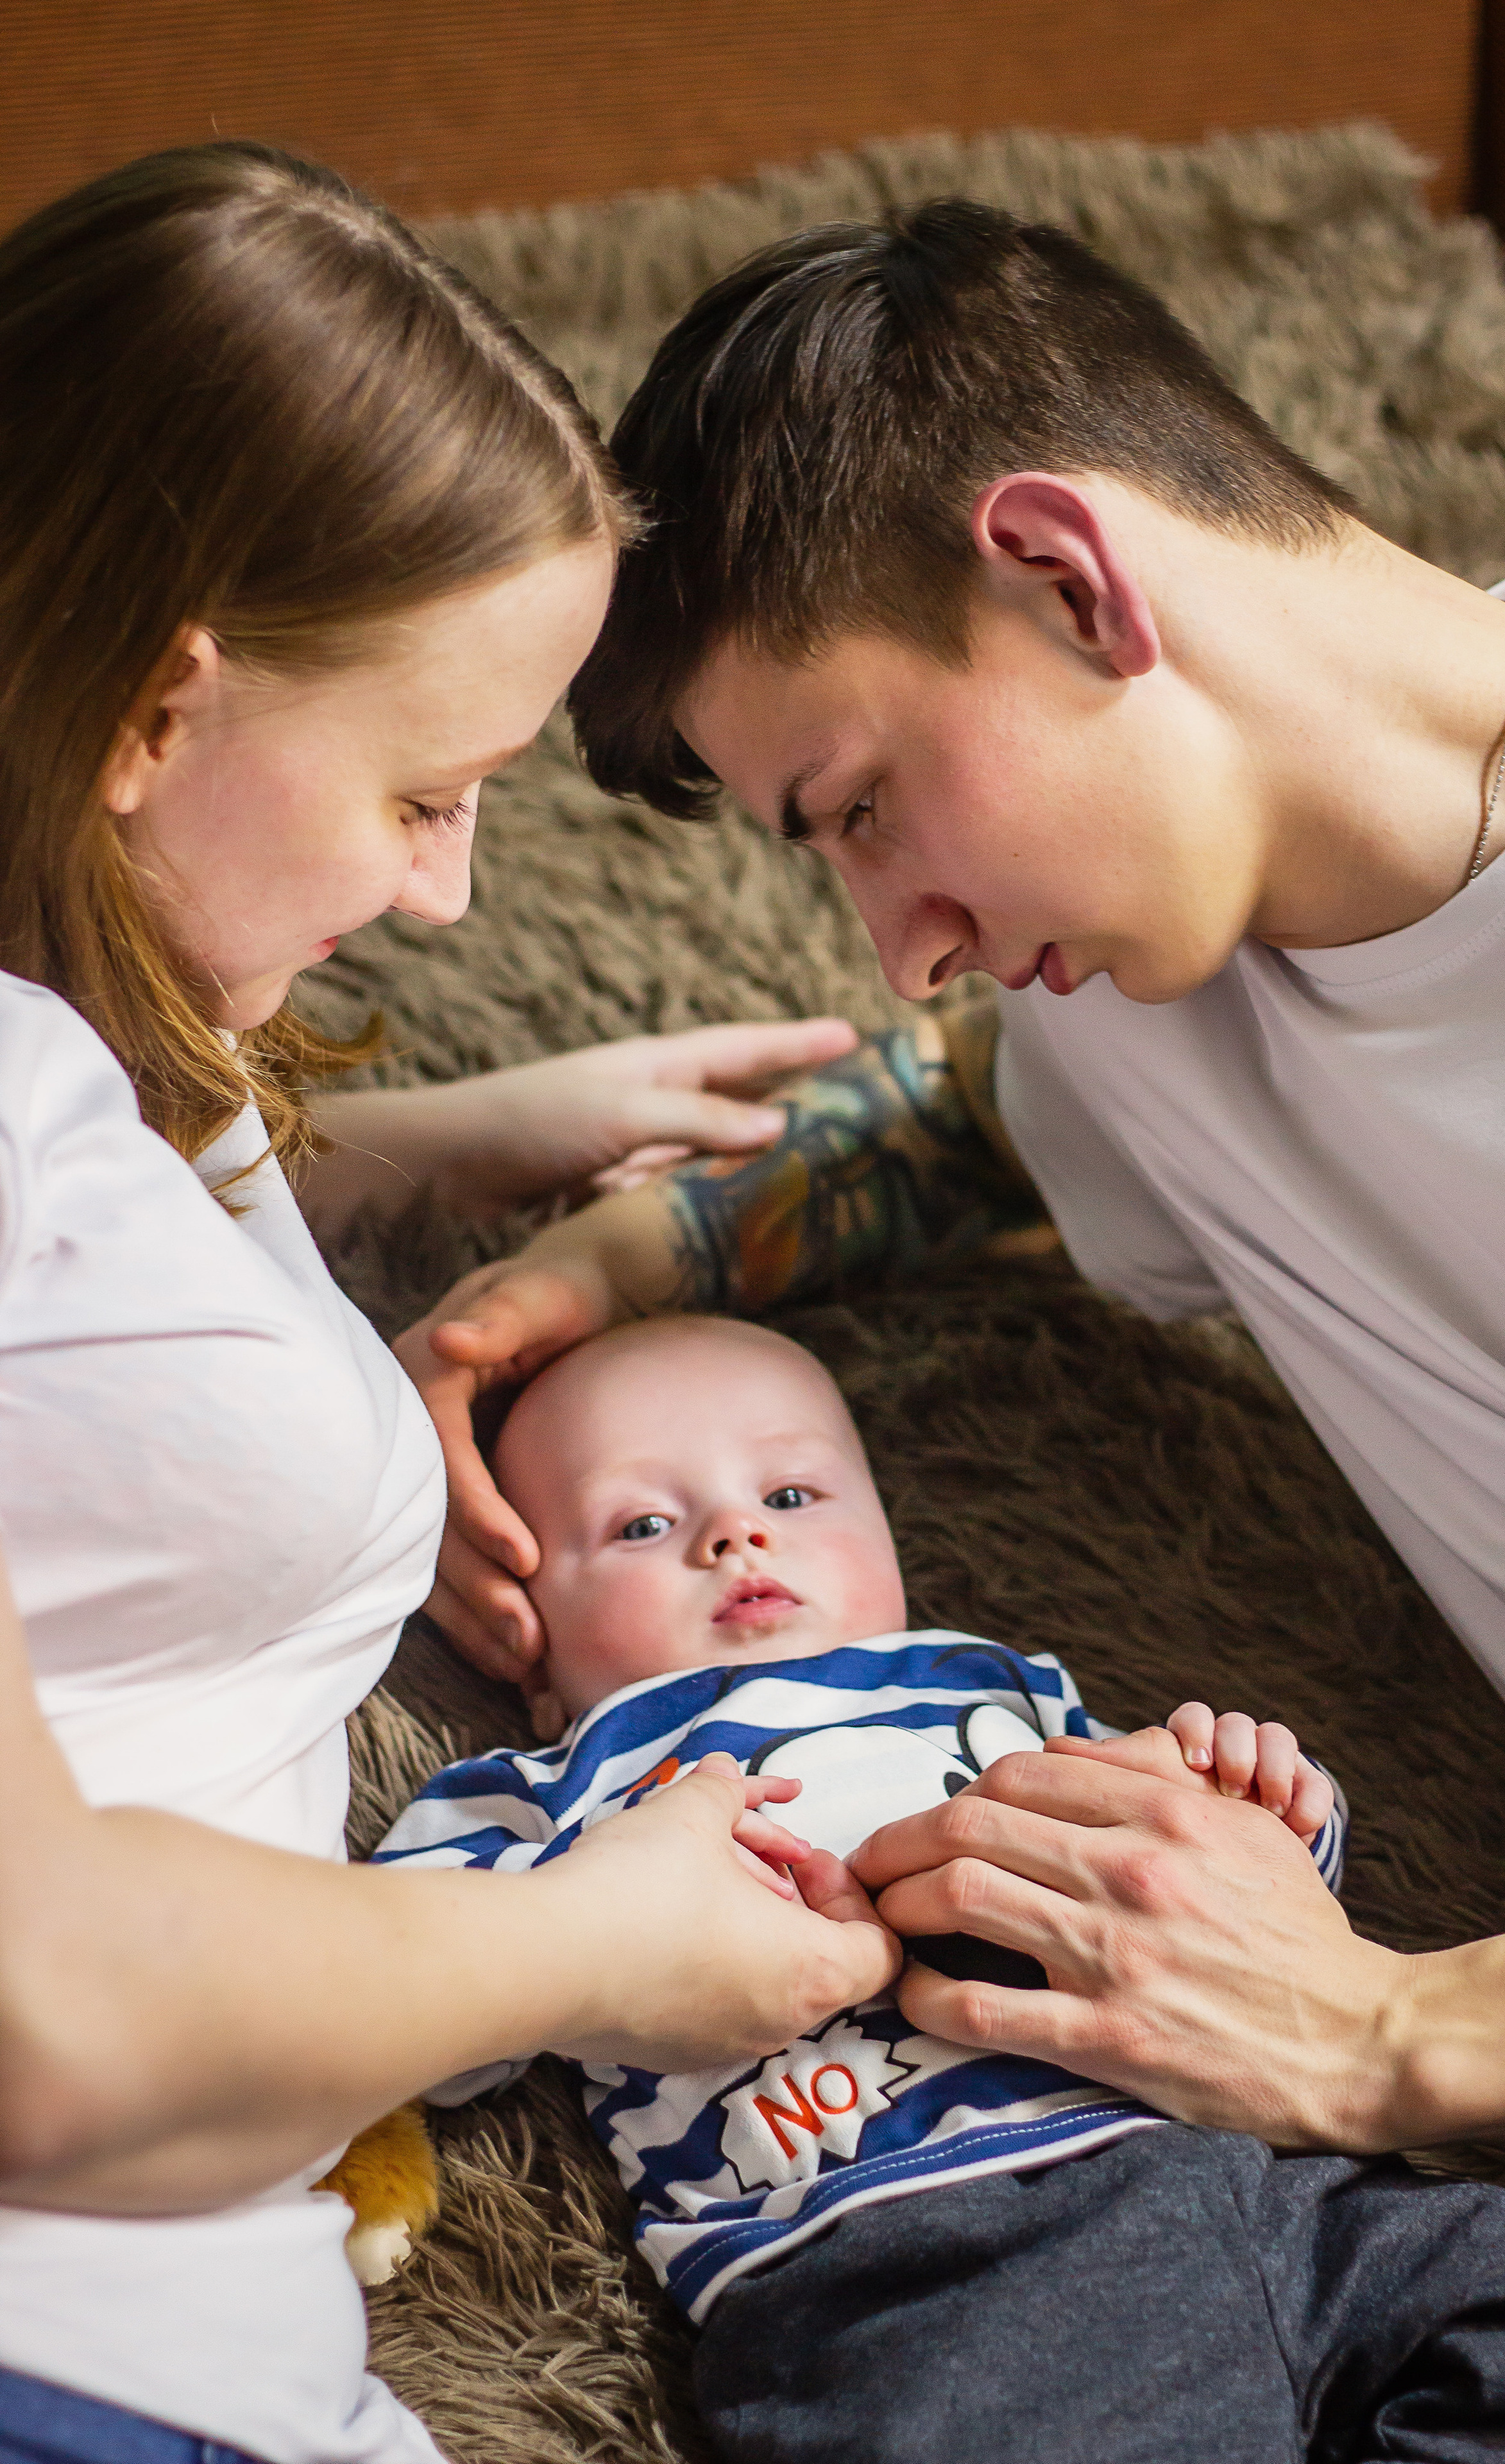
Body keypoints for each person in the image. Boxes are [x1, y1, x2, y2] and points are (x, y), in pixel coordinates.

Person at [397, 199, 1505, 2155]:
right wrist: (589, 1275)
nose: (901, 944)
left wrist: (1402, 2025)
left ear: (1072, 579)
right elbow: (966, 1112)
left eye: (867, 808)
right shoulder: (1138, 980)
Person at [0, 144, 900, 2464]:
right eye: (427, 790)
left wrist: (456, 1131)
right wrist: (597, 1946)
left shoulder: (99, 1031)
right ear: (152, 709)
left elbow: (89, 1269)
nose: (448, 892)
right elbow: (47, 2016)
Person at [375, 1315, 1505, 2463]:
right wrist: (575, 1939)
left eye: (792, 1490)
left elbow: (1228, 1915)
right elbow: (410, 1998)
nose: (734, 1533)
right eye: (641, 1525)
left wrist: (1261, 1809)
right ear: (523, 1648)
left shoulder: (1010, 1684)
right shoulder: (550, 1776)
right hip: (927, 2257)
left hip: (1261, 2173)